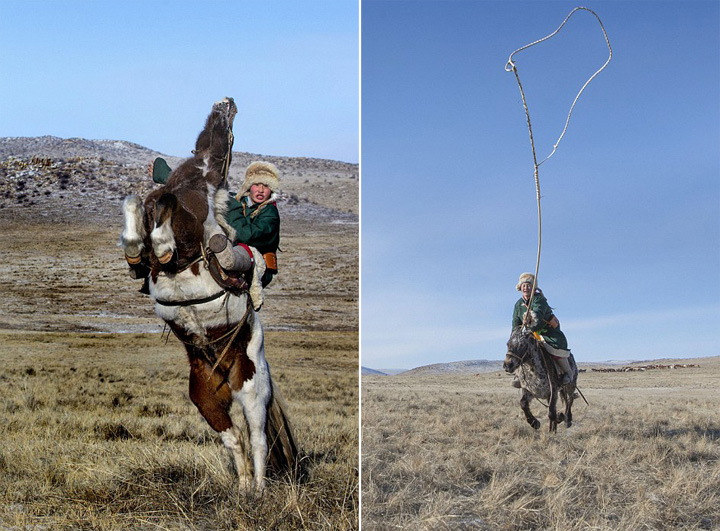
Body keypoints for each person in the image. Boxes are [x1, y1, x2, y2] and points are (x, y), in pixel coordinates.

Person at [149, 158, 280, 287]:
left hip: (257, 266)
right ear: (249, 186)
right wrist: (167, 176)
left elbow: (247, 235)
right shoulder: (241, 200)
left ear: (272, 189)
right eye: (257, 184)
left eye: (266, 186)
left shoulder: (270, 213)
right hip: (232, 252)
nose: (261, 190)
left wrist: (229, 206)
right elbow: (204, 191)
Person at [511, 272, 573, 387]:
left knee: (554, 349)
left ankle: (568, 372)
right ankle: (519, 375)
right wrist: (515, 337)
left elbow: (537, 317)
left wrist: (529, 324)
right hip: (531, 333)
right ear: (520, 287)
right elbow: (516, 323)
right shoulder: (518, 305)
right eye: (523, 285)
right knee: (519, 350)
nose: (526, 288)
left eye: (529, 285)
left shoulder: (539, 300)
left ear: (533, 287)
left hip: (548, 332)